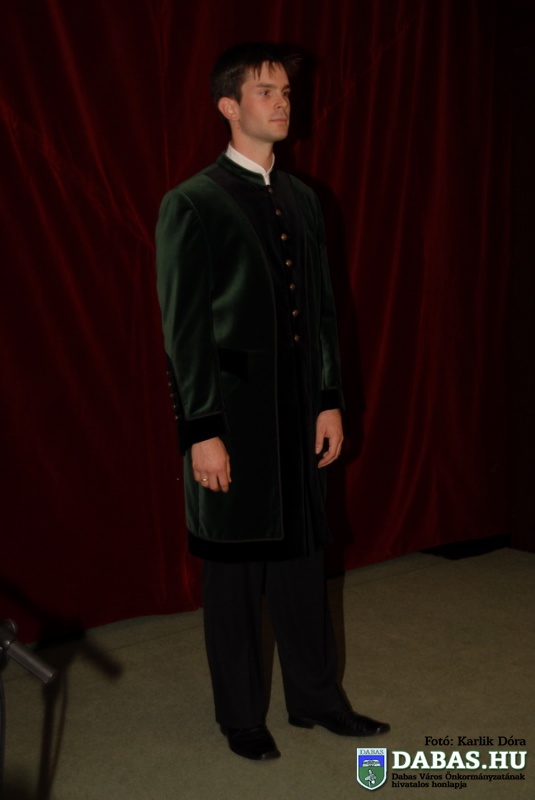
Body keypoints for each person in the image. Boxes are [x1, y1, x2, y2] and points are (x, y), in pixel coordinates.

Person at [155, 42, 389, 761]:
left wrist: (328, 401)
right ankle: (241, 716)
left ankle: (316, 698)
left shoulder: (303, 199)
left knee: (302, 564)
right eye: (265, 91)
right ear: (229, 106)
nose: (282, 102)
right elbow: (184, 330)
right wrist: (202, 431)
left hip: (298, 420)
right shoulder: (190, 203)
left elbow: (321, 312)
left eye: (285, 91)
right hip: (233, 421)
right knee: (233, 577)